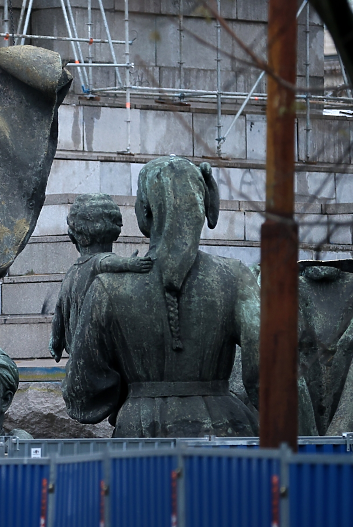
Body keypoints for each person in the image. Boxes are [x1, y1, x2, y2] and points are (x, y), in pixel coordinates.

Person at [64, 156, 260, 437]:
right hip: (226, 430)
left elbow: (81, 391)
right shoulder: (236, 276)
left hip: (142, 431)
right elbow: (266, 372)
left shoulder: (109, 287)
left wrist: (131, 391)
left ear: (145, 211)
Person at [48, 193, 152, 362]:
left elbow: (58, 314)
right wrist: (131, 264)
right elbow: (108, 262)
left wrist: (56, 342)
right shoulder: (97, 261)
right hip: (94, 352)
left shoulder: (71, 273)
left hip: (75, 350)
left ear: (73, 235)